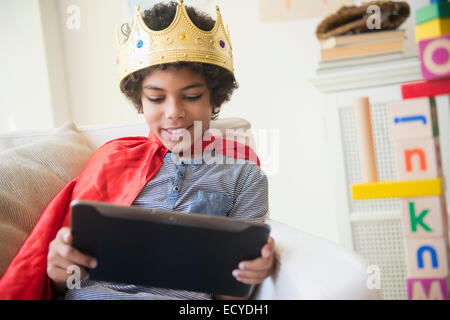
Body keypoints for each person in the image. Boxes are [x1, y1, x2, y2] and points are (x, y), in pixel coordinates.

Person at [0, 0, 275, 300]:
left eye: (192, 96)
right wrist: (58, 272)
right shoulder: (113, 160)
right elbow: (65, 280)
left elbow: (228, 298)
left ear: (215, 97)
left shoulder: (246, 179)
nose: (174, 112)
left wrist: (249, 276)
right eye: (156, 98)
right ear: (139, 101)